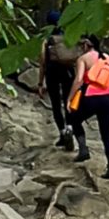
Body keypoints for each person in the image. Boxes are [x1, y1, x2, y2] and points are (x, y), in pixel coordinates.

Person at [68, 36, 109, 179]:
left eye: (82, 44)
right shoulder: (108, 59)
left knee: (74, 119)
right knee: (107, 135)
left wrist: (69, 98)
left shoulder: (83, 59)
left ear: (86, 45)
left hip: (91, 96)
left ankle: (83, 150)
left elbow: (79, 80)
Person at [37, 11, 79, 148]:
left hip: (52, 73)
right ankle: (70, 128)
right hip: (68, 72)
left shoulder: (47, 40)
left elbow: (42, 63)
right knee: (68, 102)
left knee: (56, 104)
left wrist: (40, 83)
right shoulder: (68, 38)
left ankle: (62, 133)